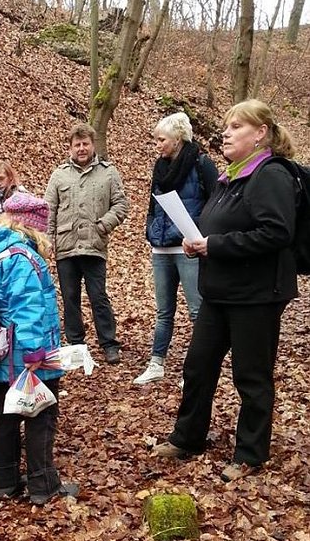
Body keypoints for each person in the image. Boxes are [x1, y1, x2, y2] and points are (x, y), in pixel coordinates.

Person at [153, 100, 298, 482]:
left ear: (260, 134)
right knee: (198, 366)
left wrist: (214, 245)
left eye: (236, 127)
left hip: (257, 295)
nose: (226, 133)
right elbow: (217, 225)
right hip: (219, 292)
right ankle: (188, 438)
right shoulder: (229, 177)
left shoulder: (271, 175)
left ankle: (250, 453)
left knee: (251, 376)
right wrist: (197, 240)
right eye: (226, 126)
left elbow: (276, 232)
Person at [0, 191, 78, 506]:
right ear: (32, 225)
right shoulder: (23, 258)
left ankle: (4, 481)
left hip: (2, 355)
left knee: (4, 416)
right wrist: (35, 355)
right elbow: (27, 309)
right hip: (29, 357)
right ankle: (43, 485)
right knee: (41, 415)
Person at [134, 112, 219, 385]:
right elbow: (153, 204)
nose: (157, 145)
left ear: (178, 138)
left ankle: (198, 369)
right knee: (163, 312)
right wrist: (151, 230)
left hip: (189, 247)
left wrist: (200, 236)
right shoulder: (159, 167)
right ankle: (156, 363)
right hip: (161, 248)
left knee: (197, 311)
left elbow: (215, 203)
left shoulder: (202, 163)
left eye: (162, 139)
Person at [45, 122, 129, 364]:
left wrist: (104, 224)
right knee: (70, 297)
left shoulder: (108, 172)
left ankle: (109, 343)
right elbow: (49, 211)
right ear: (70, 148)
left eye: (85, 144)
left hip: (95, 245)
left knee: (98, 295)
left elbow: (121, 205)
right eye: (77, 144)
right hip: (66, 246)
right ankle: (75, 345)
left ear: (93, 145)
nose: (81, 148)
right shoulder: (59, 175)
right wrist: (48, 242)